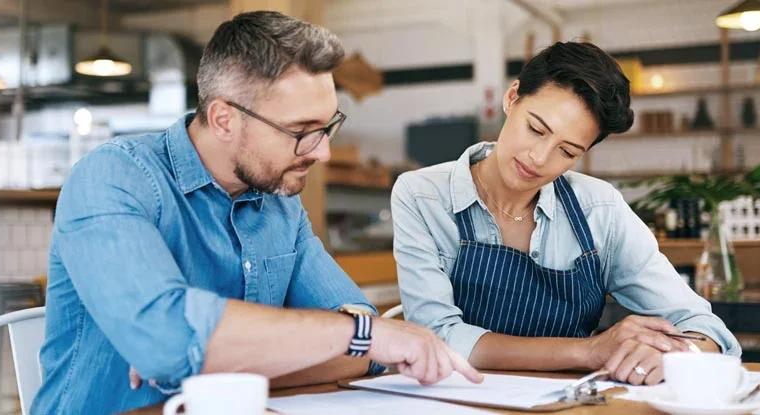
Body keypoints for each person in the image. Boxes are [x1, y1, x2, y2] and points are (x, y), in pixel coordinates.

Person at [32, 11, 481, 414]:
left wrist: (209, 362)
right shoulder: (113, 178)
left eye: (328, 127)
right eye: (302, 131)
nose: (323, 152)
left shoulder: (281, 206)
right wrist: (353, 334)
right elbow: (166, 341)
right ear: (224, 119)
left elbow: (361, 348)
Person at [391, 41, 740, 387]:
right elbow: (434, 336)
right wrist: (588, 352)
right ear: (512, 98)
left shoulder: (598, 209)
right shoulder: (422, 195)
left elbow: (704, 327)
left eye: (567, 151)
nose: (540, 158)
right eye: (536, 129)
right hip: (452, 400)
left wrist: (675, 354)